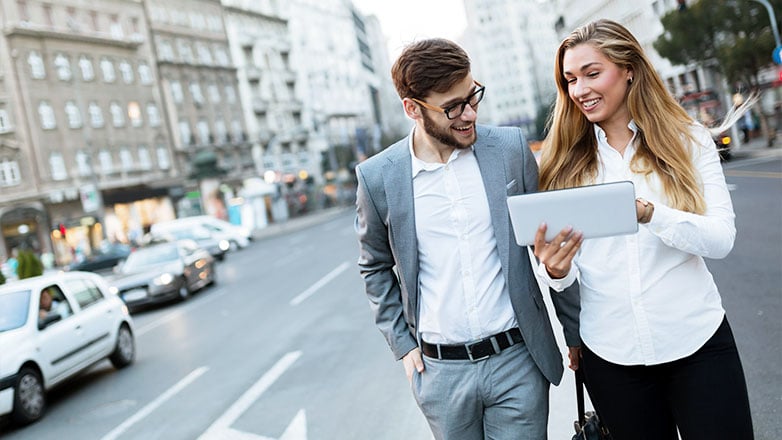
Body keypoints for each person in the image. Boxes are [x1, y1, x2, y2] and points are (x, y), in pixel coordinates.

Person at [533, 19, 753, 440]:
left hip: (697, 342)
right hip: (612, 356)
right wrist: (556, 271)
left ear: (629, 68)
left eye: (592, 73)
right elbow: (565, 275)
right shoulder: (562, 163)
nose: (580, 90)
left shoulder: (688, 140)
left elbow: (721, 239)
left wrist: (651, 214)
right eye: (571, 79)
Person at [354, 38, 581, 440]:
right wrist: (403, 345)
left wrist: (574, 333)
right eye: (453, 106)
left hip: (517, 361)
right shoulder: (378, 178)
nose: (469, 113)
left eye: (472, 96)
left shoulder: (510, 150)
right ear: (413, 108)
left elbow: (552, 244)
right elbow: (374, 266)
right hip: (441, 374)